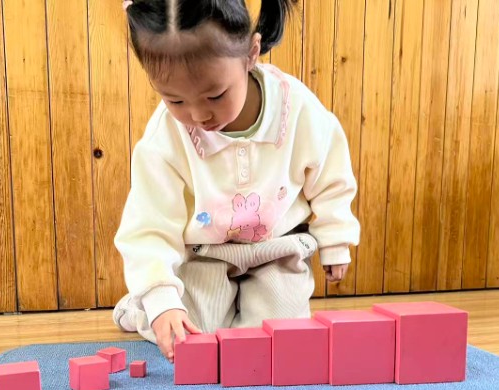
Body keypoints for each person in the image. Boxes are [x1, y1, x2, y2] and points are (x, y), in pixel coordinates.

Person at [114, 0, 360, 362]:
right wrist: (161, 299)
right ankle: (141, 308)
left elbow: (331, 174)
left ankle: (237, 310)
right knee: (193, 333)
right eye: (175, 100)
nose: (199, 114)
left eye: (215, 95)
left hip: (277, 250)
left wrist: (335, 238)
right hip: (205, 255)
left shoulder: (298, 109)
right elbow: (149, 224)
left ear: (251, 54)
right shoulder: (164, 137)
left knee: (277, 338)